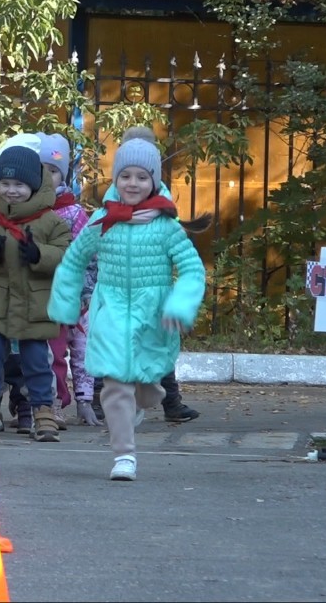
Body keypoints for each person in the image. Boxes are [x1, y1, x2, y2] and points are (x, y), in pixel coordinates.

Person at [48, 137, 207, 481]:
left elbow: (193, 270)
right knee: (116, 384)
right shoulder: (103, 221)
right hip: (111, 311)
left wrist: (180, 304)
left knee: (147, 387)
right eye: (125, 176)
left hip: (154, 318)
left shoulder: (167, 227)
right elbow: (74, 260)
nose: (132, 183)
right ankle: (124, 456)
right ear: (116, 178)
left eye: (141, 177)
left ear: (154, 181)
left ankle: (144, 398)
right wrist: (64, 305)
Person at [89, 125, 205, 425]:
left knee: (157, 346)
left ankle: (171, 402)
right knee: (110, 345)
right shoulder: (113, 200)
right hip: (116, 288)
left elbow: (174, 241)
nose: (134, 181)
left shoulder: (159, 199)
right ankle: (103, 399)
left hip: (149, 292)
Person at [0, 146, 71, 442]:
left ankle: (43, 409)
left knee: (36, 358)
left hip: (35, 304)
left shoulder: (51, 221)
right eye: (5, 184)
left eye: (19, 184)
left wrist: (39, 254)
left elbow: (65, 253)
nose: (11, 190)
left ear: (34, 185)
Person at [35, 132, 101, 428]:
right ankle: (35, 404)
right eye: (39, 170)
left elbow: (88, 256)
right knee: (39, 353)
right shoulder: (24, 208)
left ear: (62, 175)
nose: (45, 177)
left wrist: (84, 293)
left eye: (52, 171)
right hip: (34, 294)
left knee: (65, 351)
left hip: (66, 297)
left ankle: (67, 402)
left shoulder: (73, 212)